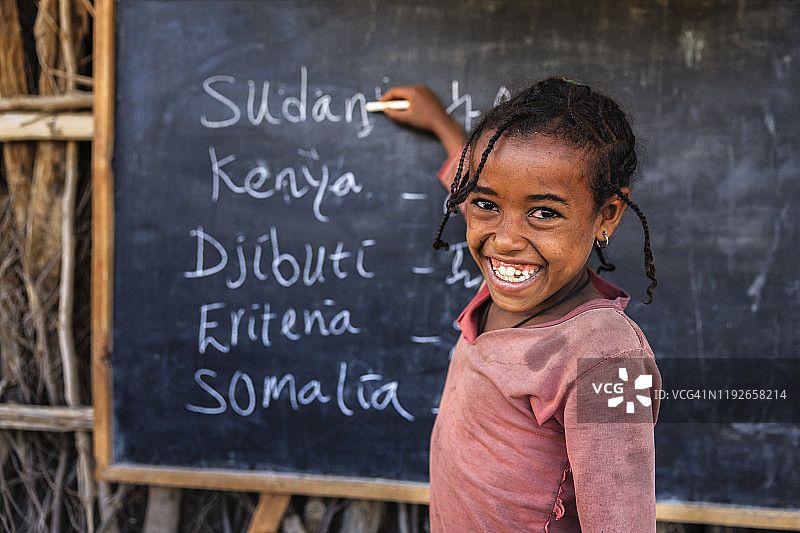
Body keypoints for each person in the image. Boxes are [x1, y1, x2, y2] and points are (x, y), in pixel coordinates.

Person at [380, 79, 661, 532]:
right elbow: (481, 177)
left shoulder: (609, 360)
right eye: (486, 204)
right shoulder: (512, 287)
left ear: (607, 215)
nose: (506, 239)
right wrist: (440, 124)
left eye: (544, 213)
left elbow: (622, 523)